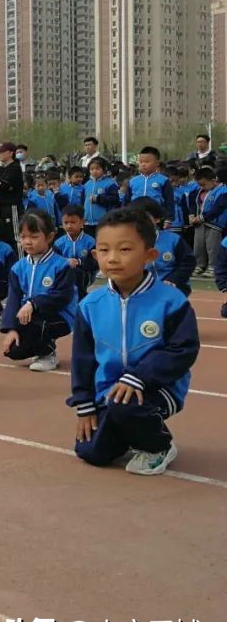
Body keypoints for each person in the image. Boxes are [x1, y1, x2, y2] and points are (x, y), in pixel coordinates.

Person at [68, 207, 199, 475]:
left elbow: (182, 350)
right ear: (95, 255)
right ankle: (128, 429)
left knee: (124, 405)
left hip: (160, 387)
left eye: (125, 250)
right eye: (104, 251)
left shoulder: (171, 302)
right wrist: (84, 404)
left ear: (149, 255)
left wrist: (140, 376)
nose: (113, 259)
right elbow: (83, 360)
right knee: (91, 451)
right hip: (111, 392)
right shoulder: (90, 305)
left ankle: (159, 445)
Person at [0, 210, 77, 373]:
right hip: (30, 317)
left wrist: (33, 304)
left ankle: (48, 353)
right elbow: (13, 299)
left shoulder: (61, 265)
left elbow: (62, 297)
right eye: (23, 237)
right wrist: (11, 328)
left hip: (60, 317)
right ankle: (39, 345)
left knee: (36, 324)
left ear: (49, 237)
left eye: (34, 237)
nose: (27, 242)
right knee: (13, 350)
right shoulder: (18, 268)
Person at [128, 197, 196, 296]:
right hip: (143, 288)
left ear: (157, 219)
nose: (140, 221)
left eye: (145, 217)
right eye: (135, 217)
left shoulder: (173, 239)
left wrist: (173, 279)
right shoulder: (127, 243)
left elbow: (188, 262)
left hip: (173, 286)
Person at [55, 206, 98, 300]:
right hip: (65, 276)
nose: (69, 226)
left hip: (85, 275)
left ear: (82, 222)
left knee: (78, 275)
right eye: (66, 223)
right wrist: (65, 261)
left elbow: (95, 263)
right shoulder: (58, 243)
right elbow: (54, 262)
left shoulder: (90, 242)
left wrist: (79, 262)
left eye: (73, 222)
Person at [189, 166, 225, 276]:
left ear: (213, 181)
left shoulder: (223, 191)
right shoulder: (199, 191)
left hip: (215, 224)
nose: (202, 187)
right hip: (199, 223)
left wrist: (202, 217)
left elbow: (218, 208)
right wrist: (191, 216)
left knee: (212, 246)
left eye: (204, 184)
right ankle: (200, 265)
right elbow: (192, 202)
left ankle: (212, 267)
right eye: (200, 185)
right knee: (198, 245)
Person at [122, 146, 173, 225]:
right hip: (135, 217)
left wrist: (168, 219)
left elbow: (169, 201)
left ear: (157, 163)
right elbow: (126, 201)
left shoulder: (163, 180)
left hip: (156, 218)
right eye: (141, 162)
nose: (143, 164)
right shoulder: (133, 181)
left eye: (147, 162)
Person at [0, 142, 25, 246]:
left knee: (15, 236)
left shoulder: (15, 168)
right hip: (2, 206)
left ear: (10, 153)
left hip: (12, 206)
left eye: (1, 152)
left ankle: (19, 259)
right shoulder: (0, 170)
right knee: (4, 235)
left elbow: (4, 185)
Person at [82, 156, 120, 240]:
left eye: (97, 168)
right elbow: (82, 202)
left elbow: (115, 200)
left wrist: (98, 199)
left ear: (104, 169)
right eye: (92, 169)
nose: (94, 171)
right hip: (87, 223)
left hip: (103, 222)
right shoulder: (86, 184)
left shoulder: (110, 183)